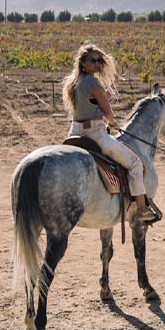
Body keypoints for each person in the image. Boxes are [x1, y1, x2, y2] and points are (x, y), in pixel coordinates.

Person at [61, 44, 158, 222]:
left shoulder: (73, 82)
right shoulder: (93, 82)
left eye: (99, 60)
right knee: (135, 164)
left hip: (74, 132)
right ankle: (142, 208)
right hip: (95, 134)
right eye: (93, 60)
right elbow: (107, 112)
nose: (97, 64)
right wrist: (113, 124)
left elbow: (91, 101)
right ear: (83, 63)